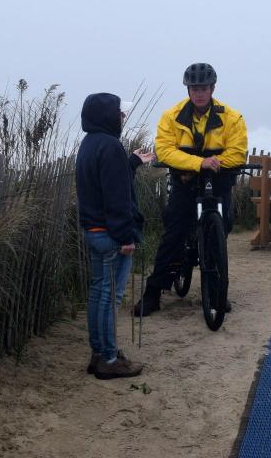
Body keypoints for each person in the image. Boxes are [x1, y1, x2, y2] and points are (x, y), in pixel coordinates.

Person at [134, 63, 248, 317]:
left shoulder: (232, 117)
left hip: (218, 181)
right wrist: (199, 163)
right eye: (194, 88)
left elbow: (238, 152)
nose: (199, 93)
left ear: (212, 89)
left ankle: (218, 290)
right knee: (174, 232)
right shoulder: (171, 116)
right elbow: (164, 150)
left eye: (204, 88)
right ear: (188, 90)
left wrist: (212, 165)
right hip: (184, 182)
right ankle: (153, 293)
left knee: (224, 225)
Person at [76, 93, 154, 379]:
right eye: (120, 114)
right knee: (110, 298)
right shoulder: (110, 146)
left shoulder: (90, 144)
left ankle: (99, 353)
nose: (123, 118)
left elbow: (104, 181)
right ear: (108, 116)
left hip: (94, 233)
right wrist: (126, 237)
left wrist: (130, 163)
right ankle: (109, 359)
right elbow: (116, 198)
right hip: (111, 237)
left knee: (99, 294)